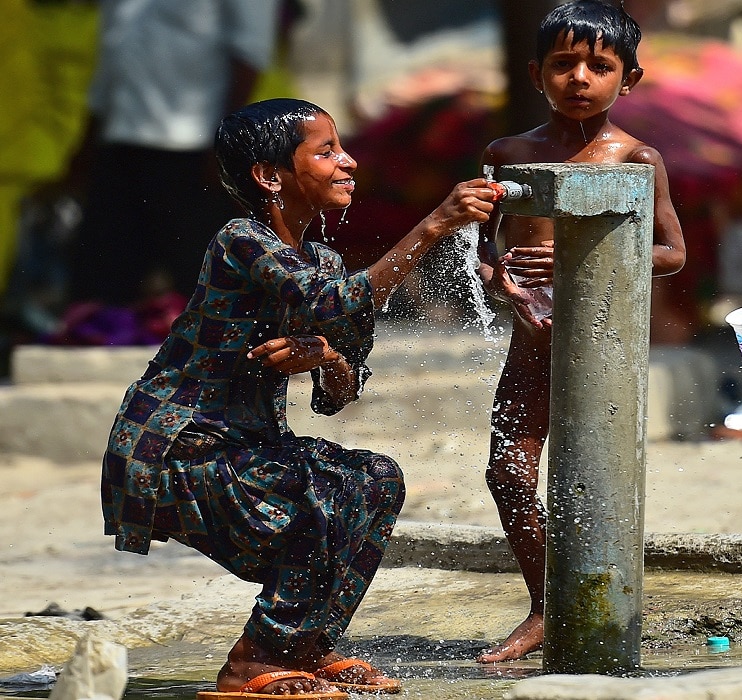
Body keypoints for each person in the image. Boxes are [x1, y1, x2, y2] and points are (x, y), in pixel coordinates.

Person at [101, 98, 497, 697]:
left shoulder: (325, 260)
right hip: (175, 449)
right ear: (269, 175)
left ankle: (305, 646)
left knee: (377, 480)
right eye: (327, 151)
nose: (349, 162)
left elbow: (340, 391)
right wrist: (435, 223)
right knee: (316, 499)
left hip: (248, 448)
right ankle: (252, 662)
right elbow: (329, 303)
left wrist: (329, 359)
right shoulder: (241, 240)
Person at [473, 0, 686, 663]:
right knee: (507, 473)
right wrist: (502, 281)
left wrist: (574, 262)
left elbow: (672, 253)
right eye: (564, 64)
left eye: (600, 66)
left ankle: (600, 608)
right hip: (532, 342)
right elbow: (483, 251)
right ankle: (545, 604)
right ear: (536, 74)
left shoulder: (636, 158)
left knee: (592, 479)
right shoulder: (508, 155)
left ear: (630, 78)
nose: (580, 79)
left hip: (601, 345)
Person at [58, 0, 281, 341]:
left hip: (191, 147)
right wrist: (88, 143)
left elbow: (250, 51)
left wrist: (225, 142)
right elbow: (113, 56)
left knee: (200, 283)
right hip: (120, 140)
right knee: (100, 286)